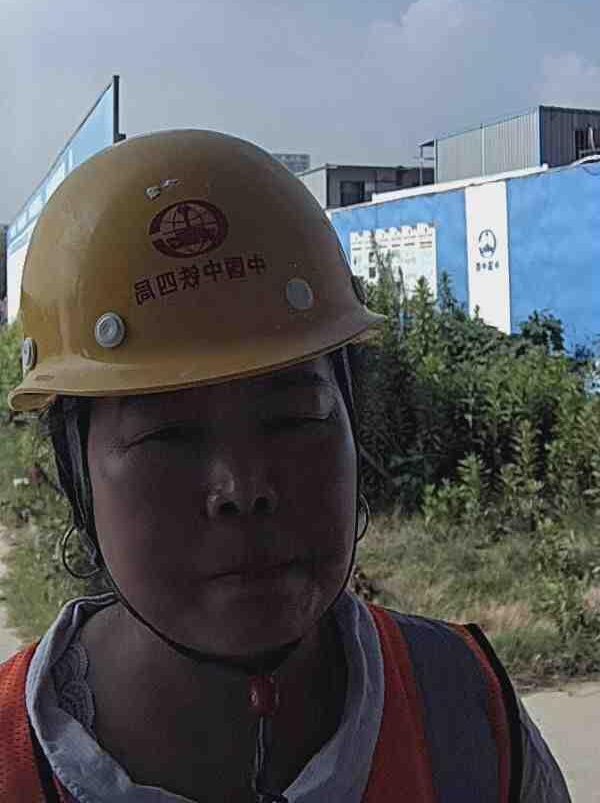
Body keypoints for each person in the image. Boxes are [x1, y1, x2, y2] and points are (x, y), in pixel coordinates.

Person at [0, 129, 571, 802]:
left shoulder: (467, 712)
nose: (243, 488)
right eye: (168, 436)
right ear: (76, 472)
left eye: (295, 419)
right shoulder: (15, 762)